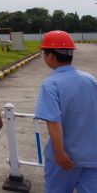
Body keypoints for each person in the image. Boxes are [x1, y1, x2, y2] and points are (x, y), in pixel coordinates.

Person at [35, 30, 97, 193]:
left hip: (65, 159)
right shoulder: (90, 79)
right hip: (91, 156)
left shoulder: (50, 84)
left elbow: (53, 122)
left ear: (51, 56)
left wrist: (60, 153)